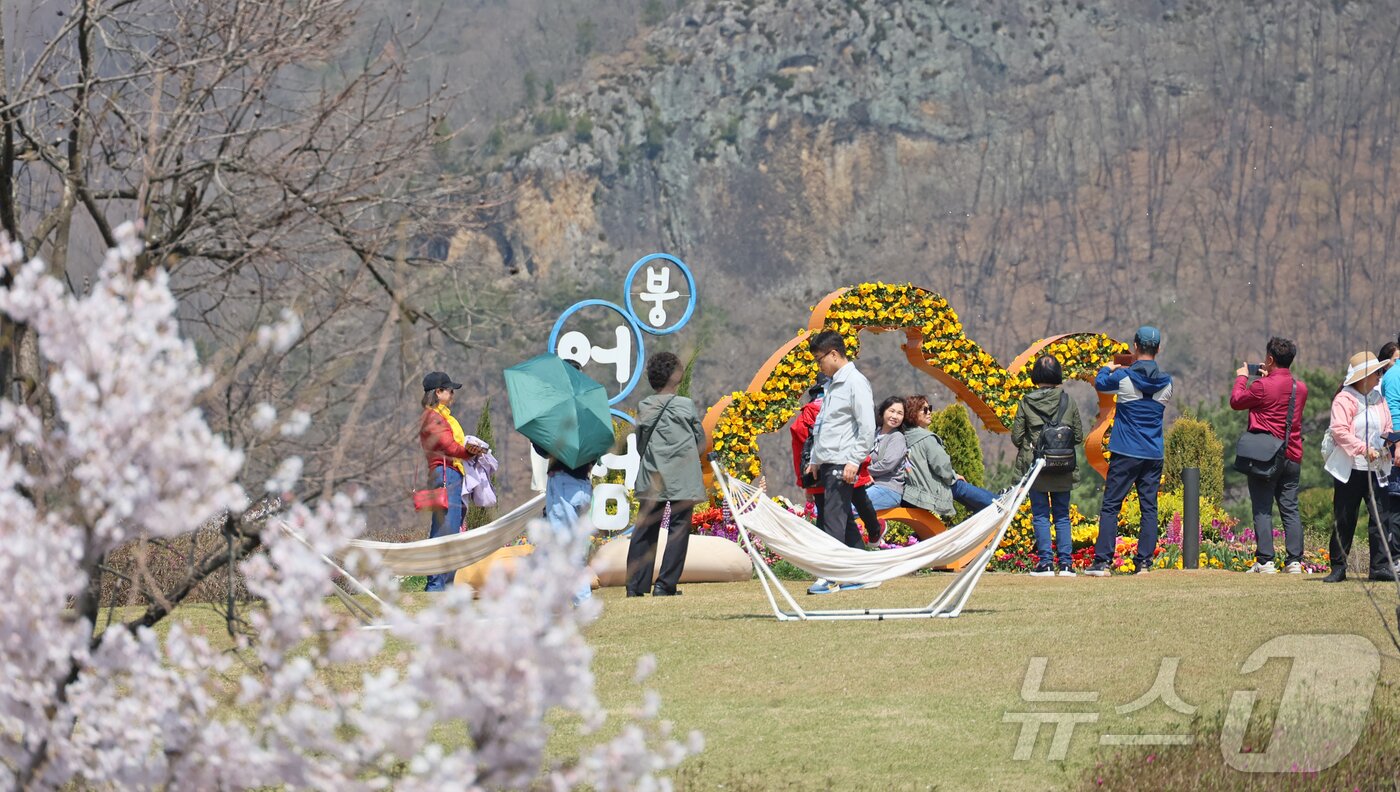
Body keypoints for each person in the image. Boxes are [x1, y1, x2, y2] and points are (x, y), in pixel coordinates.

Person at [1085, 326, 1174, 577]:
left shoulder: (1123, 378)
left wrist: (1110, 368)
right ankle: (1144, 563)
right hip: (1153, 452)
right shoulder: (1167, 382)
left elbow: (1101, 383)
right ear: (1158, 349)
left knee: (1111, 506)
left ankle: (1102, 563)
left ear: (1135, 346)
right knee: (1149, 508)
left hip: (1125, 451)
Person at [802, 331, 879, 595]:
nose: (819, 364)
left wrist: (854, 461)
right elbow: (823, 425)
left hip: (843, 461)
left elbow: (867, 427)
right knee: (842, 519)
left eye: (819, 359)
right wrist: (814, 460)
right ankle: (863, 573)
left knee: (832, 519)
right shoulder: (833, 384)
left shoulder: (855, 382)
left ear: (834, 354)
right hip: (827, 461)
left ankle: (832, 576)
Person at [627, 352, 705, 597]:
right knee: (678, 529)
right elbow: (701, 441)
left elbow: (640, 444)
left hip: (653, 475)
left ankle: (635, 586)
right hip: (682, 475)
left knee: (644, 531)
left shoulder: (644, 406)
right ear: (676, 377)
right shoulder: (685, 405)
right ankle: (664, 584)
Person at [1229, 337, 1309, 574]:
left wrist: (1243, 376)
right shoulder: (1300, 388)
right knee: (1290, 508)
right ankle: (1294, 561)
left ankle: (1265, 561)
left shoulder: (1262, 386)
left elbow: (1236, 401)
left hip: (1265, 457)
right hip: (1293, 454)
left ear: (1270, 359)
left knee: (1263, 508)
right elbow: (1281, 405)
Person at [1322, 351, 1400, 583]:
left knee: (1380, 517)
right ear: (1364, 376)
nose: (1379, 376)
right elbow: (1340, 431)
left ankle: (1379, 566)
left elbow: (1386, 422)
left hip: (1377, 467)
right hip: (1351, 466)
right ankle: (1338, 566)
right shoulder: (1344, 399)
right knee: (1345, 517)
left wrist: (1389, 441)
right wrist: (1362, 448)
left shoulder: (1378, 397)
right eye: (1376, 373)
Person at [1011, 356, 1084, 577]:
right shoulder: (1067, 400)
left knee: (1041, 515)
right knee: (1062, 515)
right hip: (1063, 466)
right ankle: (1066, 565)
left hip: (1037, 467)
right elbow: (1078, 436)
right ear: (1057, 374)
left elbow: (1016, 437)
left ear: (1035, 375)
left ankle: (1045, 563)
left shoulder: (1026, 401)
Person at [418, 370, 483, 592]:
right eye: (449, 390)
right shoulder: (433, 417)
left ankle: (444, 585)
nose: (453, 394)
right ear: (439, 392)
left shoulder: (442, 416)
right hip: (446, 474)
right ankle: (436, 586)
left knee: (451, 529)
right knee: (446, 531)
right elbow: (448, 445)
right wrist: (469, 451)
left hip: (450, 473)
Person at [899, 394, 998, 520]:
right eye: (924, 409)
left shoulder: (903, 437)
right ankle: (997, 503)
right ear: (913, 413)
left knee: (957, 486)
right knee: (958, 485)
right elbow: (943, 468)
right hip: (928, 493)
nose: (929, 412)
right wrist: (954, 477)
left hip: (911, 492)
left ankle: (988, 507)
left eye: (929, 408)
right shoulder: (926, 438)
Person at [865, 397, 909, 512]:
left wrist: (863, 472)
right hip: (869, 485)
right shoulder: (874, 433)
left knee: (847, 507)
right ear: (883, 411)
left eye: (900, 413)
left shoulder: (897, 437)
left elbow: (887, 464)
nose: (895, 416)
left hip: (888, 489)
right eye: (892, 411)